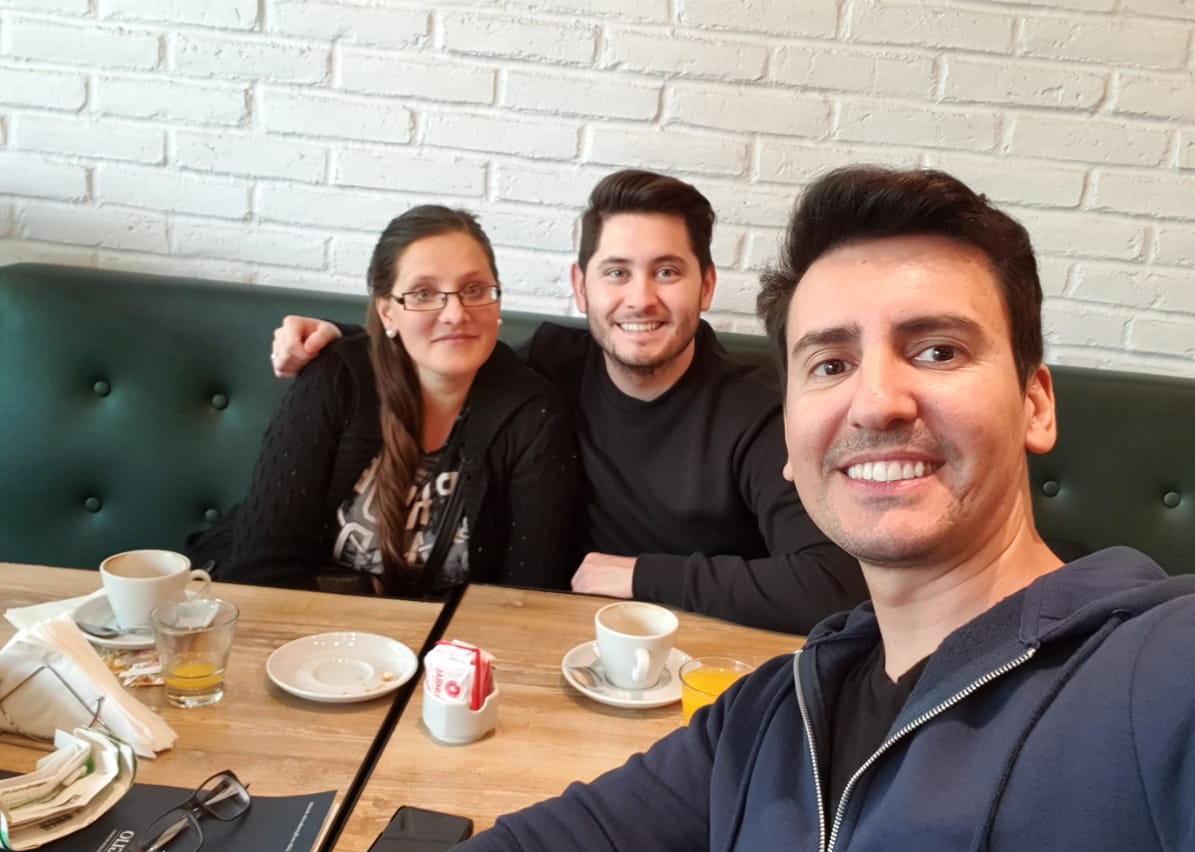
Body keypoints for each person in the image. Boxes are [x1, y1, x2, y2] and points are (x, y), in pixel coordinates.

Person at [287, 167, 1195, 852]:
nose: (876, 401)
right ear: (795, 438)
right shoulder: (768, 719)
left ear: (1035, 403)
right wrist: (339, 352)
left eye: (936, 350)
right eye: (830, 363)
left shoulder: (1180, 681)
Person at [271, 170, 867, 634]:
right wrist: (338, 341)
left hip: (693, 656)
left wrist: (641, 575)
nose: (640, 299)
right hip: (559, 643)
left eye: (666, 272)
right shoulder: (551, 361)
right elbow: (450, 346)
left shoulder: (758, 413)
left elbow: (835, 585)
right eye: (616, 272)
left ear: (706, 285)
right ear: (581, 287)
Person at [190, 206, 577, 597]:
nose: (456, 314)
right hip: (306, 624)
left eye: (474, 290)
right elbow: (261, 571)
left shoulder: (534, 415)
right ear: (387, 313)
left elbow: (526, 597)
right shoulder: (339, 380)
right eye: (424, 294)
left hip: (448, 635)